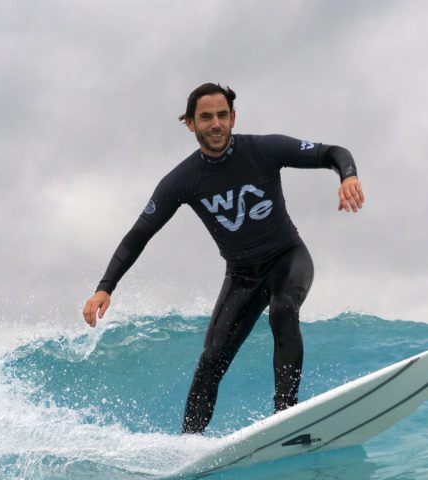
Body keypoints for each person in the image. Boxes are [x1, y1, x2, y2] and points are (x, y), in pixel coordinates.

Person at [82, 82, 364, 434]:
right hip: (242, 275)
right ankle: (188, 445)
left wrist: (347, 176)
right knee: (211, 358)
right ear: (190, 124)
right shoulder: (181, 180)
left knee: (283, 309)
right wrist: (105, 287)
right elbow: (140, 233)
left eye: (221, 115)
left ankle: (286, 416)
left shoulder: (264, 149)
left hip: (286, 259)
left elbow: (331, 152)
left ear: (232, 117)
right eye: (205, 117)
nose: (215, 124)